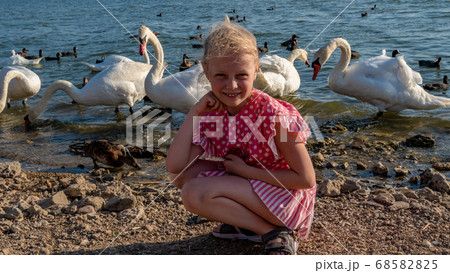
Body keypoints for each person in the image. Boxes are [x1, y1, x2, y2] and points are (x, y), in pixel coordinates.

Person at [165, 16, 316, 255]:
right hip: (254, 189)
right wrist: (194, 112)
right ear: (206, 71)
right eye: (221, 76)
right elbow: (175, 166)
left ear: (256, 71)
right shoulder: (211, 111)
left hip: (287, 200)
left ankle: (273, 231)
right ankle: (246, 226)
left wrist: (246, 172)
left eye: (241, 76)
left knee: (193, 193)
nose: (231, 85)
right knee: (183, 177)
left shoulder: (273, 114)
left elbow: (306, 179)